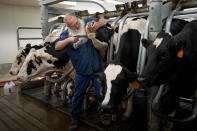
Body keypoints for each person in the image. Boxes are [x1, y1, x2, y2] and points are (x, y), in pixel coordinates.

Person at [55, 13, 108, 131]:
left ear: (77, 18)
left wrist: (96, 25)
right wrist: (68, 40)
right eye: (73, 25)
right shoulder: (66, 34)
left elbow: (104, 20)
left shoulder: (87, 21)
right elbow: (57, 46)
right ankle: (74, 119)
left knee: (101, 94)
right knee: (78, 96)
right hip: (81, 73)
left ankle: (103, 115)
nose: (77, 25)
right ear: (68, 26)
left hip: (97, 71)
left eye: (77, 21)